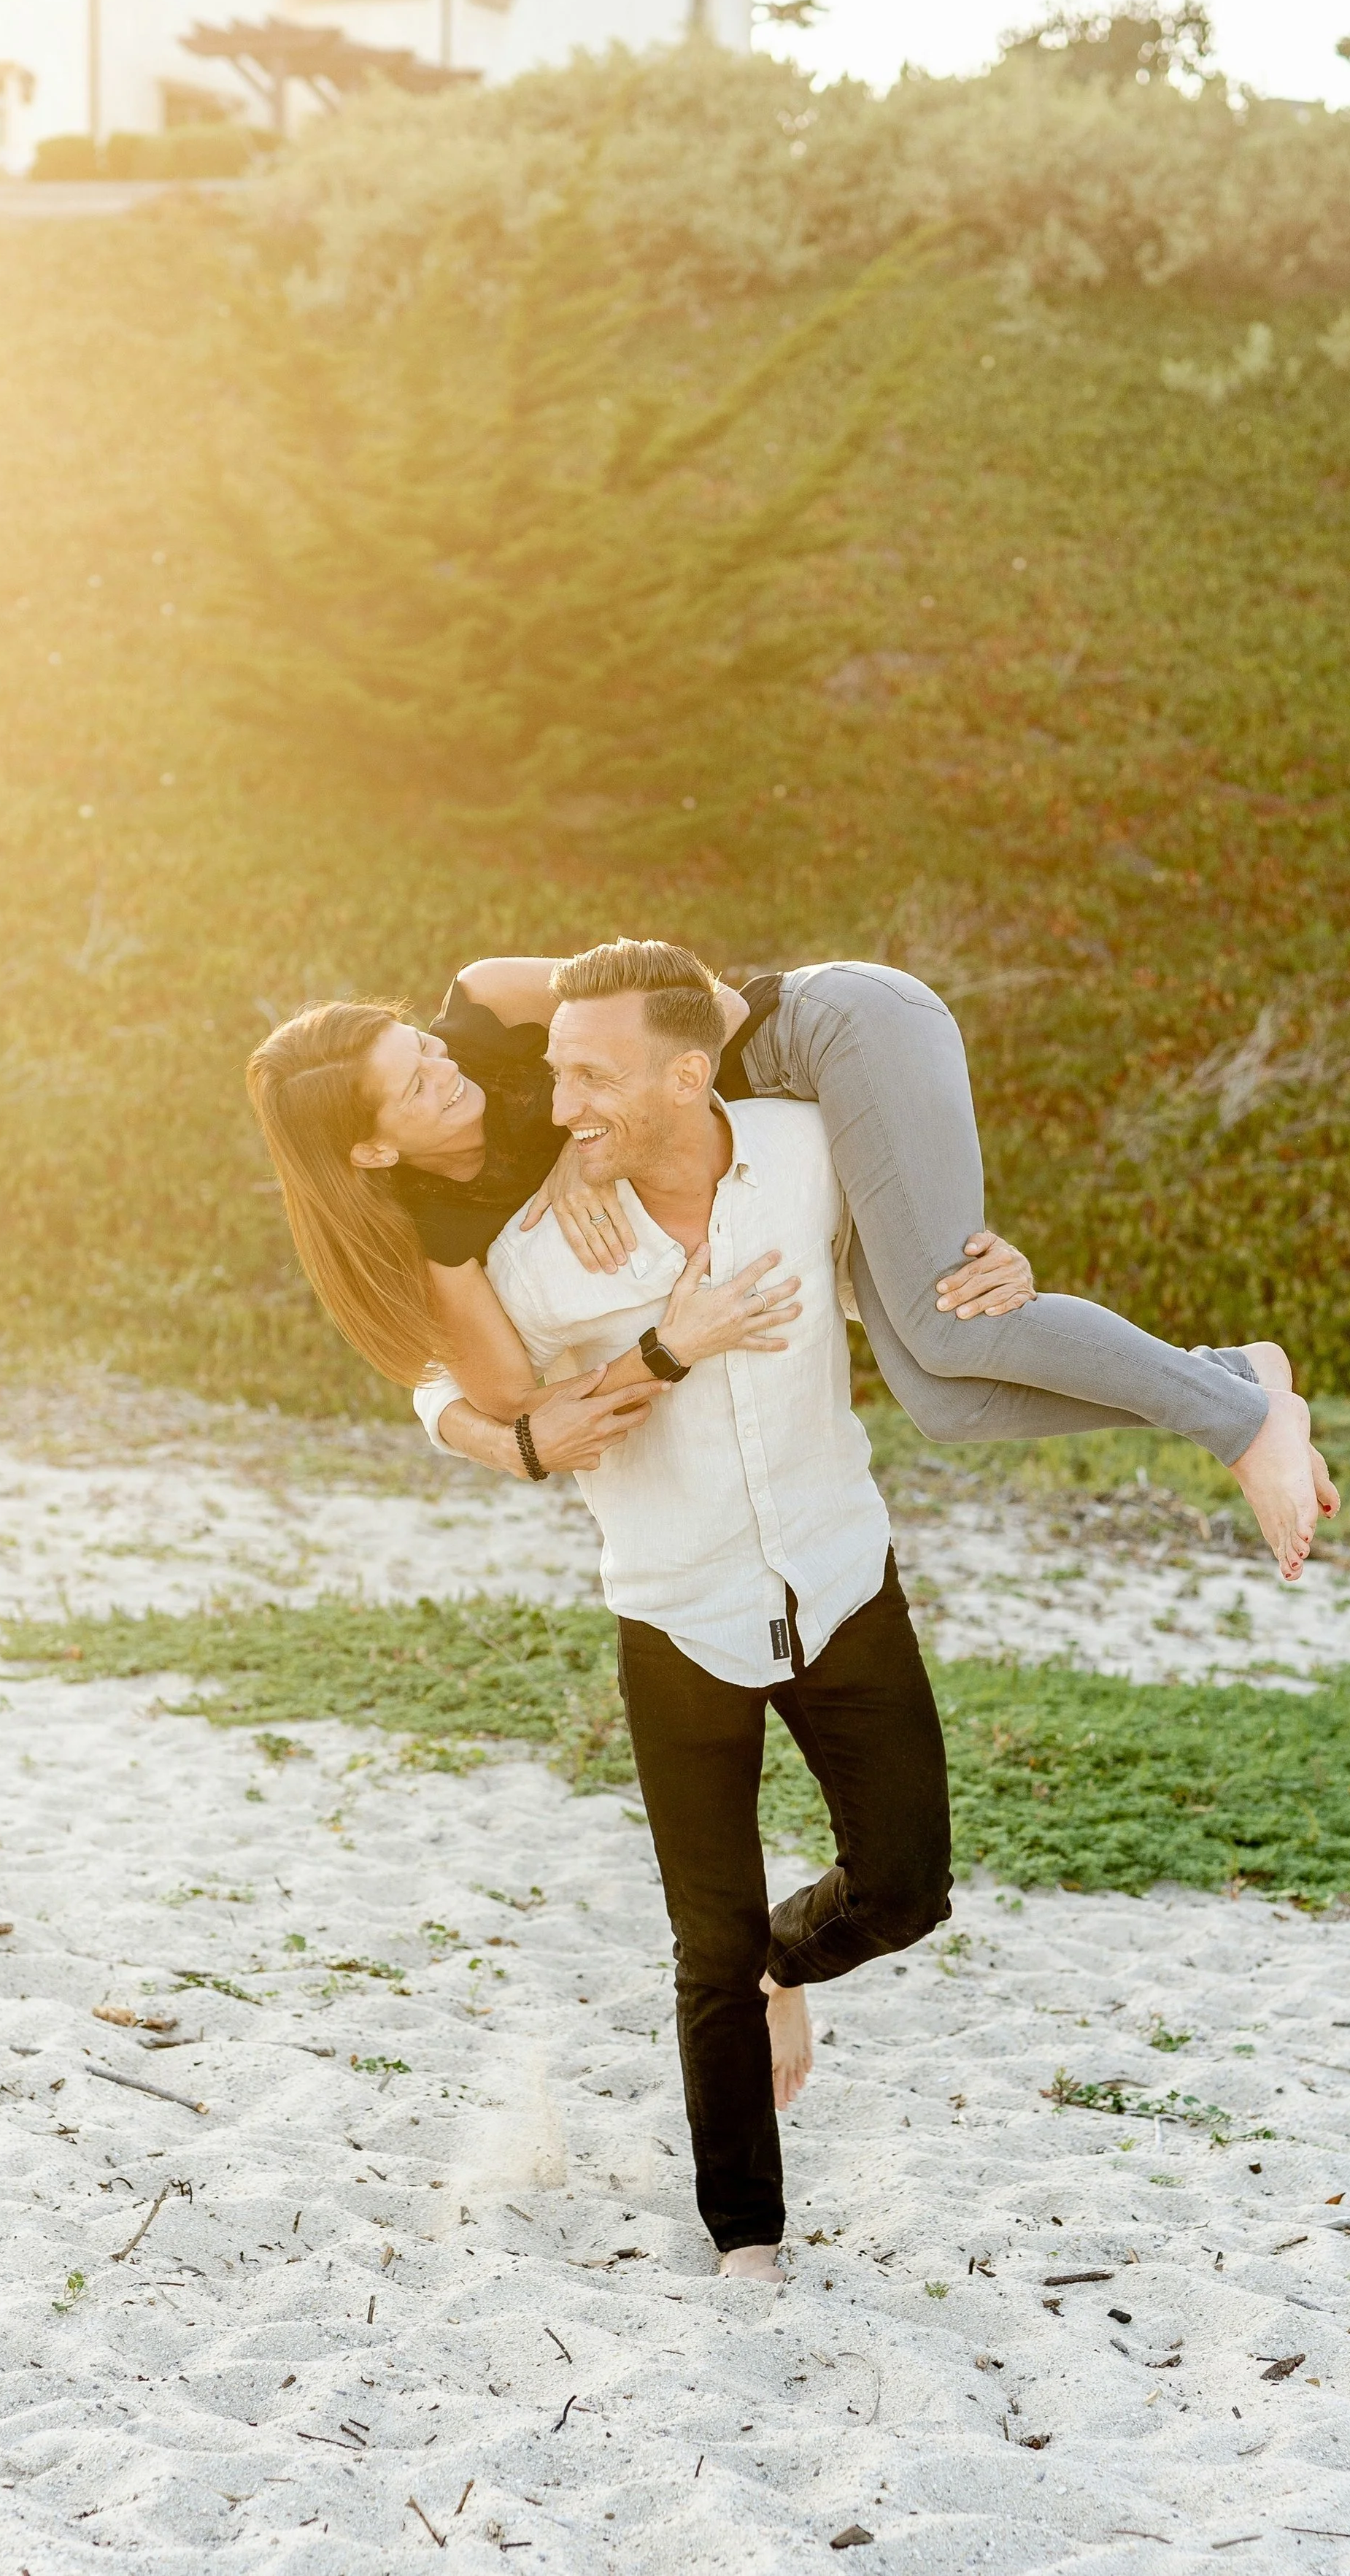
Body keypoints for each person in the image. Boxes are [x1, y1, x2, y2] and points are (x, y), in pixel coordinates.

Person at [412, 941, 954, 2283]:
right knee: (702, 1946)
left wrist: (989, 1256)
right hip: (675, 1611)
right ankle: (747, 2241)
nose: (559, 1104)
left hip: (839, 1575)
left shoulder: (808, 1145)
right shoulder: (537, 1259)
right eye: (554, 1074)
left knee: (905, 1889)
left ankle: (788, 1963)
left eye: (591, 1075)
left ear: (688, 1070)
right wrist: (494, 1418)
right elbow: (449, 1381)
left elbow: (923, 1232)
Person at [248, 950, 1335, 1566]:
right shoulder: (439, 1228)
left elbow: (703, 1001)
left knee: (954, 1319)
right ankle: (1236, 1375)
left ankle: (1241, 1424)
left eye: (423, 1045)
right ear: (374, 1147)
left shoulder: (488, 998)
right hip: (808, 1131)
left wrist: (589, 1146)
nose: (445, 1066)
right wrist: (507, 1434)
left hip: (826, 1032)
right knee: (951, 1400)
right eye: (415, 1081)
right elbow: (495, 1385)